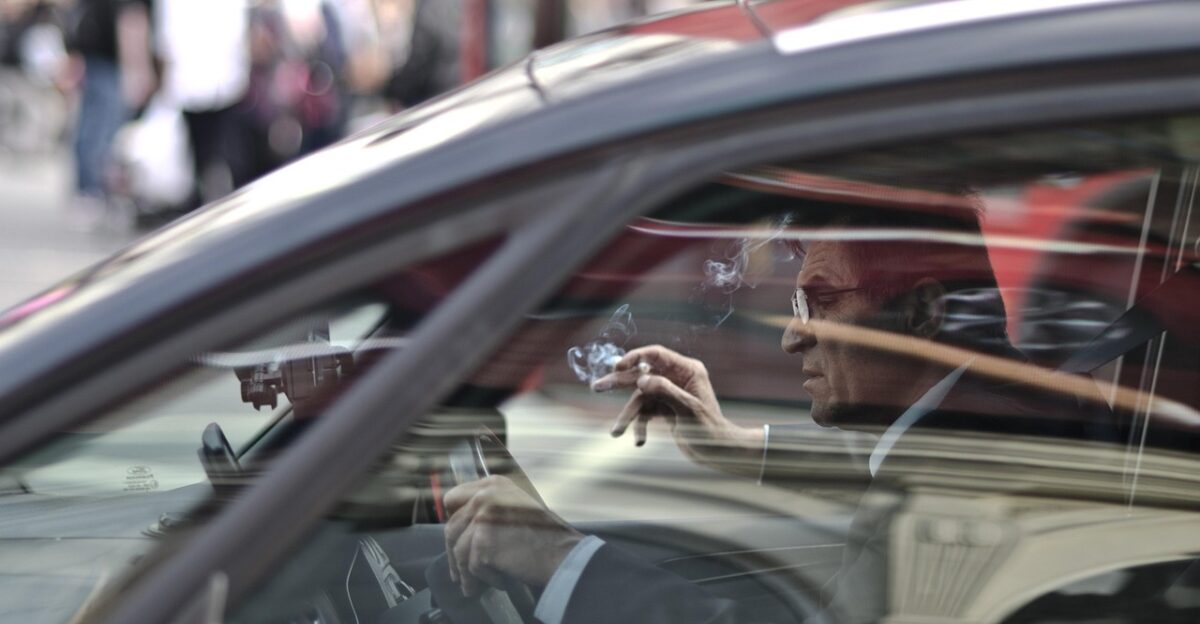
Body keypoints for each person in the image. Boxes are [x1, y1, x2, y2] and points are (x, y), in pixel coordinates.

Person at [442, 201, 1107, 623]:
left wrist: (563, 559)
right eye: (796, 309)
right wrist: (736, 444)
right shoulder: (996, 411)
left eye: (821, 303)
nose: (794, 338)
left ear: (923, 313)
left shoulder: (966, 494)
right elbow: (896, 459)